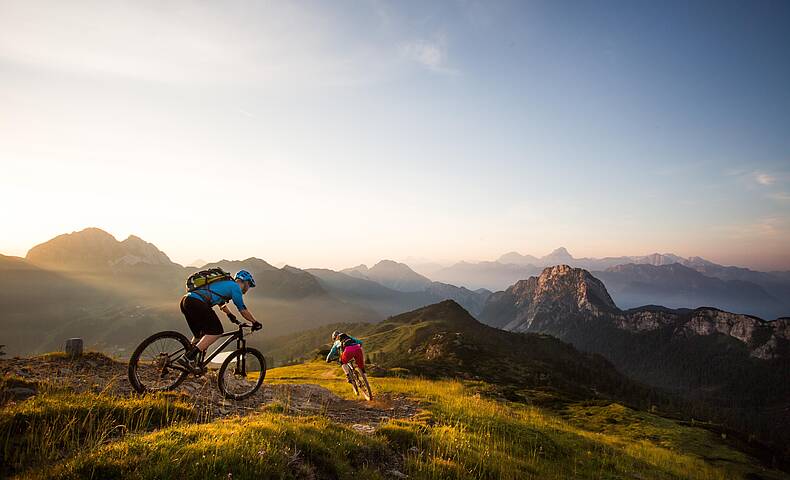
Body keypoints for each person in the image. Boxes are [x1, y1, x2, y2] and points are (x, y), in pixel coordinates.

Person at [178, 270, 262, 371]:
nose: (248, 288)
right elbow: (242, 310)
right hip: (197, 302)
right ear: (245, 282)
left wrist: (230, 315)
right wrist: (255, 322)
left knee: (199, 335)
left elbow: (221, 304)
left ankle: (190, 362)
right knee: (216, 332)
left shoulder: (226, 284)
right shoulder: (235, 287)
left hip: (186, 301)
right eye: (249, 285)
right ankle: (188, 357)